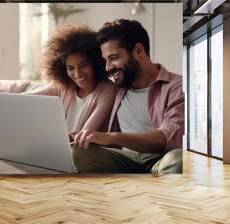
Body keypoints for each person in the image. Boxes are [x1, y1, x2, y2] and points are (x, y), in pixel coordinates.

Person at [73, 19, 184, 175]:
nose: (108, 67)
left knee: (179, 158)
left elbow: (168, 137)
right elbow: (70, 84)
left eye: (114, 58)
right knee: (79, 152)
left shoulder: (177, 86)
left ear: (138, 51)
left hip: (160, 161)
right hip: (125, 161)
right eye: (106, 60)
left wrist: (112, 138)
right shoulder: (116, 88)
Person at [28, 25, 116, 135]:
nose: (77, 74)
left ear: (95, 62)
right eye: (70, 68)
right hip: (63, 147)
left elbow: (84, 135)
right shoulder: (64, 87)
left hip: (84, 150)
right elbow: (25, 98)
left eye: (83, 65)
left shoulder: (108, 89)